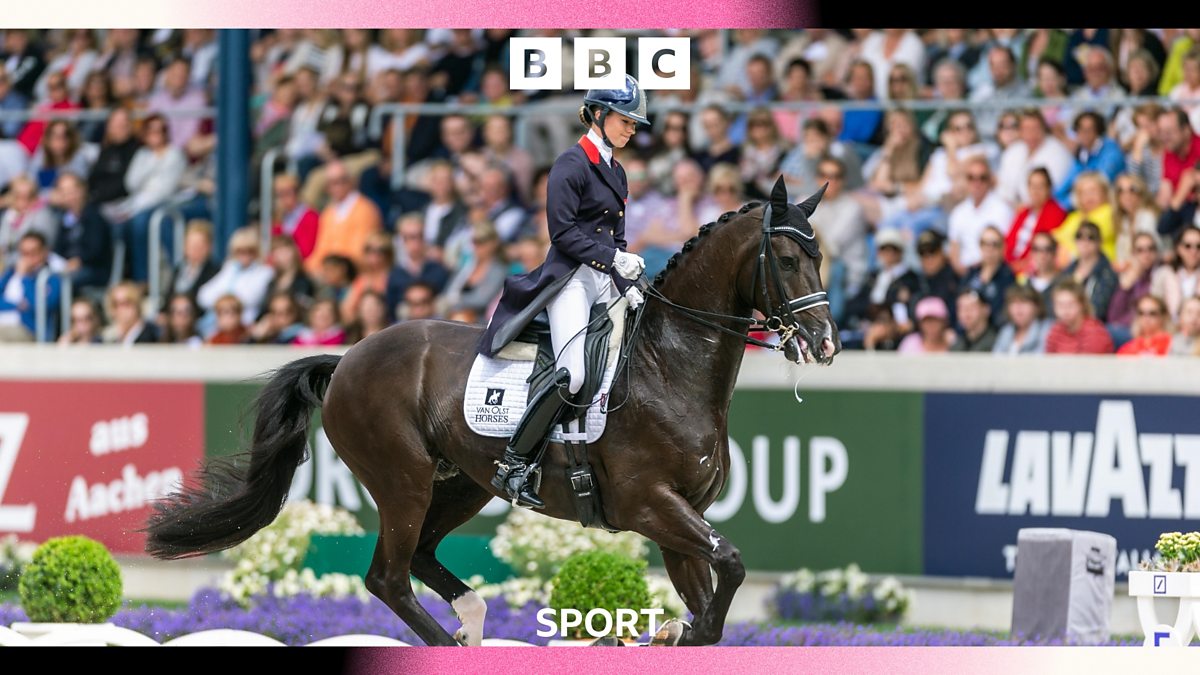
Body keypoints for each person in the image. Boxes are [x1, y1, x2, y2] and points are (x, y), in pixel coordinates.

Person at [478, 74, 649, 509]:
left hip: (604, 276)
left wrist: (626, 283)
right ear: (599, 115)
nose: (631, 129)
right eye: (626, 121)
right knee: (573, 374)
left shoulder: (617, 170)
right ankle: (515, 463)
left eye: (634, 123)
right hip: (571, 278)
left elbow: (617, 238)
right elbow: (563, 234)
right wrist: (613, 261)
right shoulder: (570, 164)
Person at [0, 231, 60, 341]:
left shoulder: (51, 277)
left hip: (27, 330)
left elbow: (41, 307)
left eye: (33, 252)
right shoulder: (10, 273)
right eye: (24, 253)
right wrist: (17, 305)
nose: (28, 258)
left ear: (45, 252)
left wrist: (25, 278)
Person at [1006, 168, 1067, 269]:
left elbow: (1044, 251)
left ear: (1048, 189)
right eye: (1033, 186)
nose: (1036, 191)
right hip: (1011, 266)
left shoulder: (1056, 214)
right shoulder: (1023, 213)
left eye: (1040, 186)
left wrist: (1014, 268)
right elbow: (1008, 243)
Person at [962, 226, 1016, 323]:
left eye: (995, 244)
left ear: (1003, 247)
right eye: (984, 243)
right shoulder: (971, 273)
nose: (989, 248)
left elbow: (1002, 312)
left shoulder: (1008, 277)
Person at [1045, 279, 1114, 354]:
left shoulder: (1094, 332)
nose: (1065, 310)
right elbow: (1049, 359)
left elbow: (1089, 361)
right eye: (1060, 305)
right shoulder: (1056, 330)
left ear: (1082, 304)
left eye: (1070, 304)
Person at [992, 285, 1052, 355]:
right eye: (1013, 302)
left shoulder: (1047, 329)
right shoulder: (1006, 331)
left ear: (1036, 307)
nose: (1018, 308)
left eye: (1024, 302)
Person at [102, 281, 160, 345]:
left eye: (126, 303)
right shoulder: (108, 338)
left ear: (137, 304)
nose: (121, 309)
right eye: (115, 304)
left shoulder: (152, 336)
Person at [950, 288, 998, 352]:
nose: (966, 313)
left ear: (986, 309)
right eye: (961, 308)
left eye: (972, 307)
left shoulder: (998, 342)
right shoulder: (957, 345)